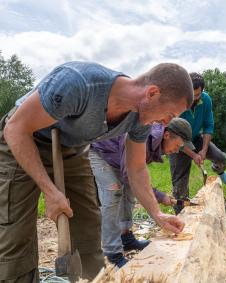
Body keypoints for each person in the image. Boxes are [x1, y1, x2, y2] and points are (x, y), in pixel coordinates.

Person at [0, 61, 193, 282]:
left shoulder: (141, 118)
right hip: (22, 137)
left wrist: (157, 214)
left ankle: (91, 278)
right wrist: (50, 192)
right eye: (170, 114)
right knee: (15, 236)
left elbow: (136, 168)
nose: (167, 122)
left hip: (70, 146)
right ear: (152, 93)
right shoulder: (78, 83)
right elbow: (15, 128)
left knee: (88, 229)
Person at [90, 118, 195, 267]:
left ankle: (125, 237)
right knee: (113, 195)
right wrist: (159, 196)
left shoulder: (155, 142)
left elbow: (135, 177)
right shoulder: (144, 137)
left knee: (129, 194)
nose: (177, 150)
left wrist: (158, 196)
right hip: (101, 152)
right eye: (177, 145)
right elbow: (132, 178)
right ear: (167, 135)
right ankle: (112, 253)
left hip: (118, 157)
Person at [169, 72, 226, 214]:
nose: (192, 99)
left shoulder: (206, 100)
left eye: (196, 95)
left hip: (196, 137)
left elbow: (209, 125)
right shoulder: (177, 102)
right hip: (177, 141)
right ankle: (180, 214)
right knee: (179, 183)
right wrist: (192, 155)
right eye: (190, 95)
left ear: (202, 92)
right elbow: (174, 135)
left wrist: (203, 150)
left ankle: (220, 171)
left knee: (221, 158)